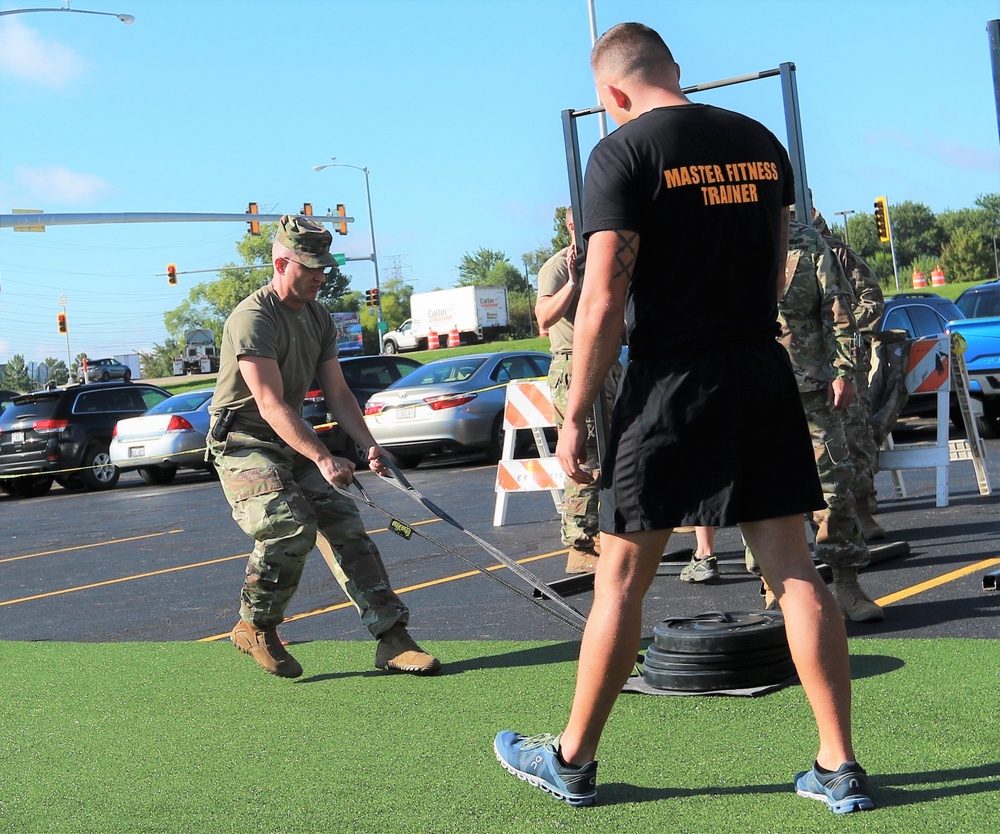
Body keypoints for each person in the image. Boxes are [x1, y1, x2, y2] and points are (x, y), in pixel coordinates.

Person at [493, 23, 873, 814]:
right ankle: (838, 766)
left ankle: (571, 760)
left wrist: (573, 417)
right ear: (676, 71)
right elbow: (774, 271)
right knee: (795, 570)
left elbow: (601, 299)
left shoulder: (621, 153)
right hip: (759, 370)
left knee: (621, 583)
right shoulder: (760, 142)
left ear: (613, 95)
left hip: (670, 379)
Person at [207, 214, 441, 679]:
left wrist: (369, 446)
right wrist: (322, 456)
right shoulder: (252, 318)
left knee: (347, 527)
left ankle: (393, 639)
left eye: (324, 267)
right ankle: (255, 626)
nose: (321, 276)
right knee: (289, 525)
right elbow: (271, 404)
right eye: (311, 266)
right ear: (280, 262)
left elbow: (337, 392)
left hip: (290, 439)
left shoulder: (317, 317)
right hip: (245, 441)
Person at [746, 221, 883, 623]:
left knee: (834, 487)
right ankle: (773, 590)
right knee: (760, 492)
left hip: (810, 384)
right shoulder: (726, 235)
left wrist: (844, 370)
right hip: (752, 385)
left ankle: (847, 584)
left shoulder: (806, 241)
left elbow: (837, 307)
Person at [535, 206, 623, 573]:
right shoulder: (557, 266)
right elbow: (543, 318)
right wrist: (572, 283)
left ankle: (611, 531)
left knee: (618, 451)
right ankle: (581, 543)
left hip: (608, 361)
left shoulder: (606, 260)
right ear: (573, 226)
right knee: (583, 454)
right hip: (574, 364)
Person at [813, 209, 887, 541]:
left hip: (846, 361)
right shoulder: (778, 251)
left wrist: (840, 325)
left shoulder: (838, 252)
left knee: (855, 438)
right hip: (805, 364)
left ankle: (863, 513)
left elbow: (873, 300)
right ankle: (823, 522)